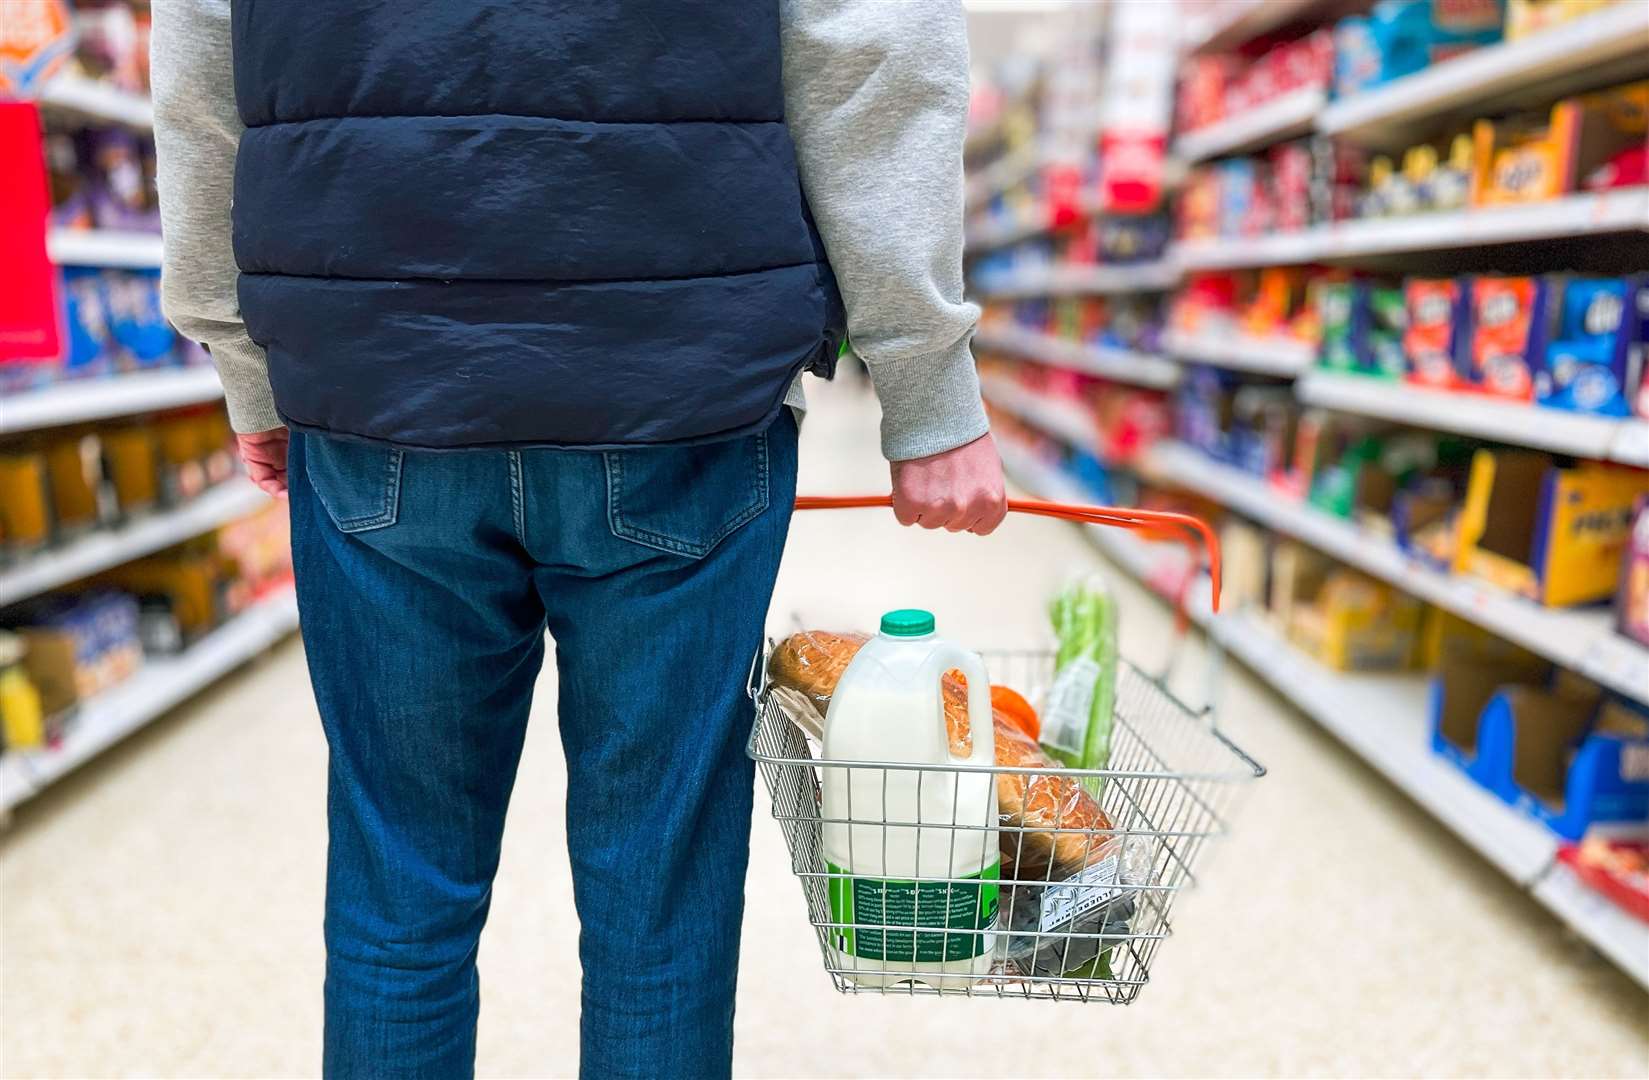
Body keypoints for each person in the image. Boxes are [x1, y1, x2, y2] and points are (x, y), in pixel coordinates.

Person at [151, 1, 1005, 1076]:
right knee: (657, 895)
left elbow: (199, 70)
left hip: (376, 384)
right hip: (677, 387)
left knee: (399, 885)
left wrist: (248, 363)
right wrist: (924, 380)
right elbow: (870, 47)